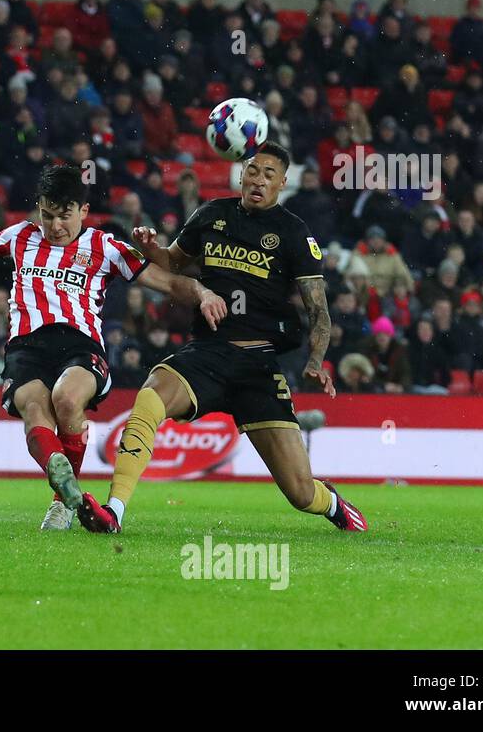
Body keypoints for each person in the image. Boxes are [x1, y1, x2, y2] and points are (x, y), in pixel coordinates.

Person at [0, 164, 225, 531]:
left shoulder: (106, 247)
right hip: (26, 347)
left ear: (83, 211)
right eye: (47, 215)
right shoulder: (20, 236)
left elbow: (167, 283)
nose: (54, 227)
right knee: (36, 411)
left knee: (67, 400)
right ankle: (68, 490)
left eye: (64, 216)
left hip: (80, 345)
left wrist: (203, 291)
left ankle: (62, 503)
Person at [82, 143, 368, 534]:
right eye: (253, 170)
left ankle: (332, 504)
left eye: (269, 174)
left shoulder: (293, 232)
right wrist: (152, 249)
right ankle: (114, 510)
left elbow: (318, 310)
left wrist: (315, 362)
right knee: (149, 397)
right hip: (208, 354)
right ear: (242, 174)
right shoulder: (211, 214)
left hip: (258, 366)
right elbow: (174, 263)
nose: (259, 179)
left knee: (301, 493)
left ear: (282, 183)